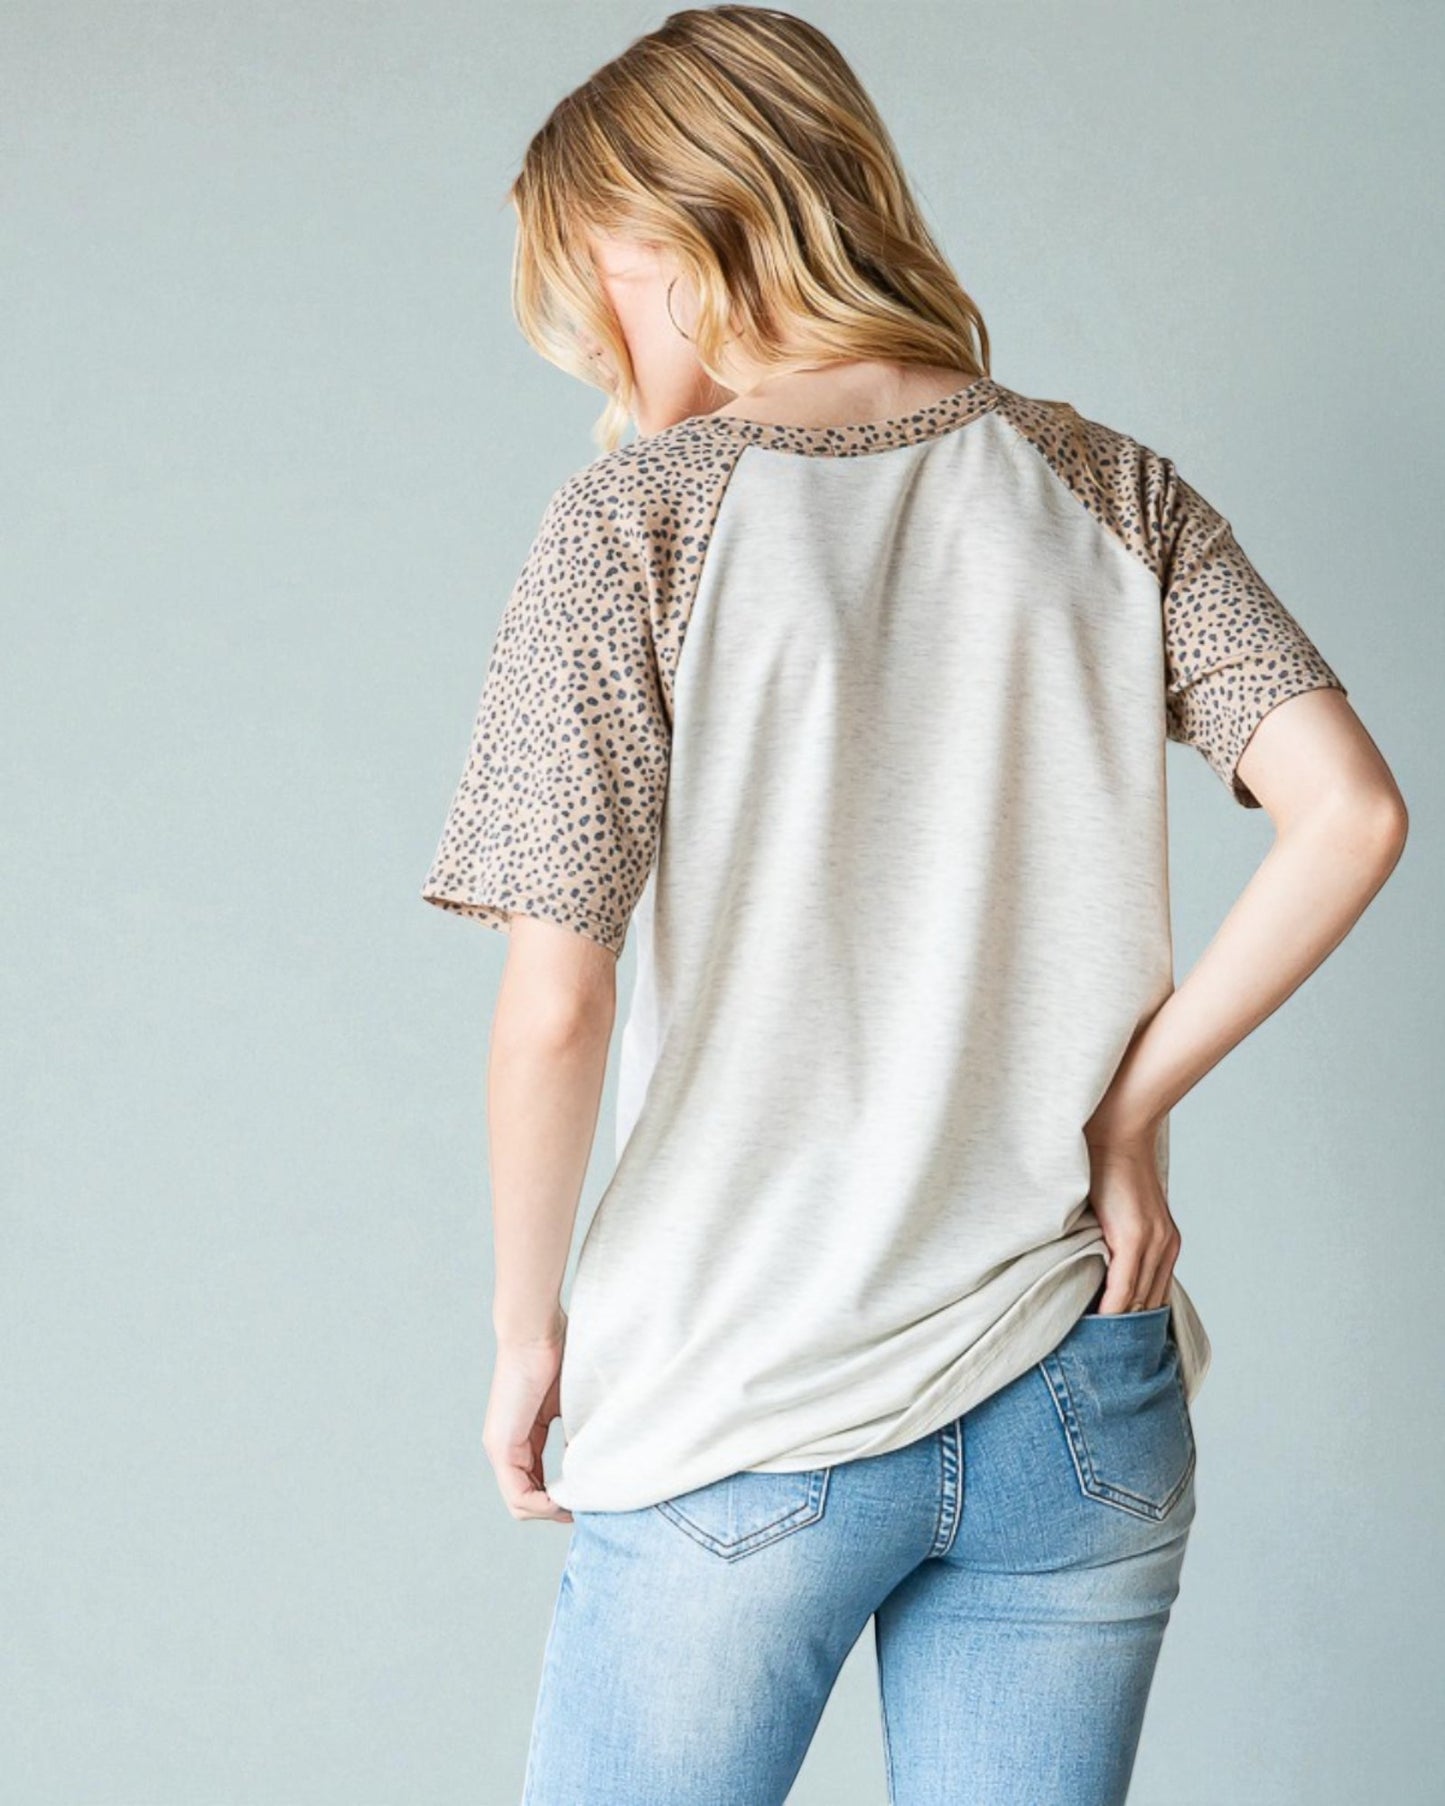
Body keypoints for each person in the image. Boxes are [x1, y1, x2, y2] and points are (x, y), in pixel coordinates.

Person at [419, 9, 1407, 1803]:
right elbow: (1349, 817)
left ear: (675, 237)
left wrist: (523, 1332)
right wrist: (1124, 1107)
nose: (594, 339)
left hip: (744, 1386)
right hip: (1075, 1386)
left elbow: (551, 1003)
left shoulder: (633, 522)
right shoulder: (1112, 488)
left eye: (592, 282)